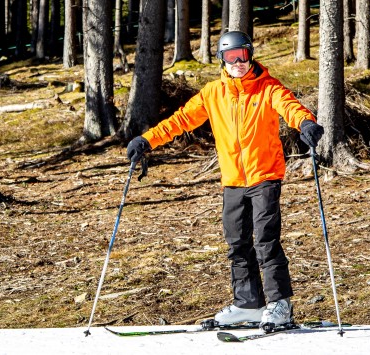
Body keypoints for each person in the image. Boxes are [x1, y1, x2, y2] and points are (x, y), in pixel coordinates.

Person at [126, 31, 324, 330]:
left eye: (242, 55)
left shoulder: (267, 88)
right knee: (237, 243)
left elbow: (290, 106)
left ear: (250, 55)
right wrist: (147, 140)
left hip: (264, 175)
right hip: (232, 180)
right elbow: (181, 120)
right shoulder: (213, 93)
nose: (238, 63)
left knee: (266, 241)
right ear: (222, 59)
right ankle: (248, 305)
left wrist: (306, 123)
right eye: (231, 57)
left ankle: (279, 304)